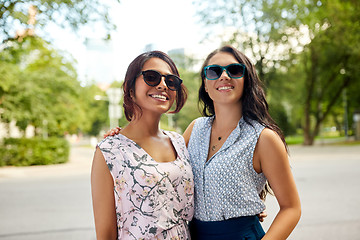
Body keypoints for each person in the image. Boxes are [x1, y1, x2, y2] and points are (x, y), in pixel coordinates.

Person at [182, 45, 301, 239]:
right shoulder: (194, 129)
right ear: (205, 83)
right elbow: (160, 167)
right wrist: (119, 138)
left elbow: (291, 208)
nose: (224, 76)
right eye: (214, 71)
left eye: (235, 70)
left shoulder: (263, 138)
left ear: (247, 80)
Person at [91, 50, 194, 240]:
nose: (163, 85)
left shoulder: (179, 142)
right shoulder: (109, 151)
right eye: (152, 77)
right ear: (131, 89)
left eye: (171, 81)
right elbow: (105, 234)